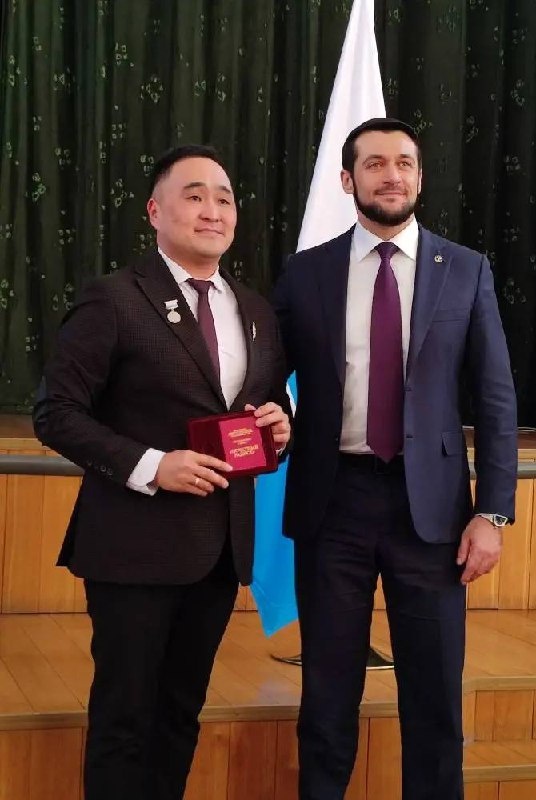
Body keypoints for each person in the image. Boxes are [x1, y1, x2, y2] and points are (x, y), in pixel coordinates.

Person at [33, 144, 291, 800]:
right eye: (194, 195)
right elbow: (56, 413)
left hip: (218, 550)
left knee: (180, 715)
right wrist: (152, 465)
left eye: (225, 199)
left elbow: (263, 408)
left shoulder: (256, 311)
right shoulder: (115, 299)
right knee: (124, 720)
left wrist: (280, 428)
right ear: (155, 211)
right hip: (132, 548)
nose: (213, 211)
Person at [273, 118, 518, 800]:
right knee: (327, 695)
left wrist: (494, 511)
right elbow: (265, 377)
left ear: (419, 176)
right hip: (333, 503)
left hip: (433, 513)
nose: (392, 175)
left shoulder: (465, 269)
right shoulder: (306, 272)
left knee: (434, 697)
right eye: (375, 163)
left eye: (404, 163)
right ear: (347, 179)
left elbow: (496, 397)